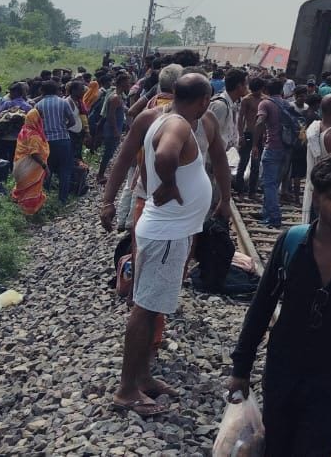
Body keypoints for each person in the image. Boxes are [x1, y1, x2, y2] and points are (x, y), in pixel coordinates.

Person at [229, 152, 331, 456]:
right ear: (317, 198)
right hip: (283, 369)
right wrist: (241, 368)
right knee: (277, 448)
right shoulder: (292, 243)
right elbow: (262, 306)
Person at [112, 73, 214, 416]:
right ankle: (126, 390)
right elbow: (166, 155)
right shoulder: (178, 124)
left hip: (167, 231)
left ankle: (142, 377)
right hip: (167, 233)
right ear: (203, 101)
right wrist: (169, 185)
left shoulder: (163, 117)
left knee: (151, 307)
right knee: (144, 310)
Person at [37, 80, 83, 204]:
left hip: (46, 141)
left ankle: (44, 197)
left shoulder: (38, 105)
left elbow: (37, 124)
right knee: (65, 170)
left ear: (43, 91)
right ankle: (63, 199)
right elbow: (72, 121)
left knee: (48, 168)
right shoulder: (63, 102)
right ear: (56, 90)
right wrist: (63, 128)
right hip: (63, 140)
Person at [256, 77, 288, 228]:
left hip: (272, 147)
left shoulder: (265, 103)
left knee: (268, 184)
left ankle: (274, 217)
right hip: (286, 149)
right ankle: (266, 213)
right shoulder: (287, 104)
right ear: (281, 90)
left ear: (266, 90)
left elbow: (260, 122)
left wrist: (255, 143)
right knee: (274, 183)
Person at [96, 71, 131, 181]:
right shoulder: (115, 98)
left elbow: (124, 110)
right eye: (128, 83)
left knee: (109, 153)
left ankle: (101, 174)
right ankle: (100, 175)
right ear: (122, 83)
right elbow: (111, 116)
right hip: (111, 130)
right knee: (108, 153)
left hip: (114, 129)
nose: (129, 85)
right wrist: (116, 131)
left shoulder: (118, 96)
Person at [235, 76, 265, 196]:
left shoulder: (265, 100)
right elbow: (241, 118)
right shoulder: (247, 100)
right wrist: (240, 135)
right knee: (244, 161)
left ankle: (252, 190)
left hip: (260, 135)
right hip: (248, 133)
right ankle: (239, 188)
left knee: (256, 164)